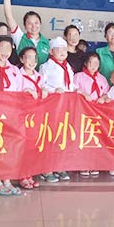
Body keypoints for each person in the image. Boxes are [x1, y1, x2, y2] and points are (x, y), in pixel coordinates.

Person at [0, 35, 27, 196]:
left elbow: (20, 91)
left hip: (12, 115)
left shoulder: (14, 70)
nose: (5, 52)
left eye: (8, 48)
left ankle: (7, 180)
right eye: (1, 48)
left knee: (9, 148)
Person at [39, 36, 75, 183]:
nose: (62, 52)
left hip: (66, 106)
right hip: (52, 107)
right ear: (51, 51)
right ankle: (46, 169)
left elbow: (71, 85)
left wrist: (78, 90)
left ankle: (59, 166)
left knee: (62, 136)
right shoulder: (46, 67)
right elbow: (41, 85)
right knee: (50, 136)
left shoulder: (68, 67)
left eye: (64, 49)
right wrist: (54, 90)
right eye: (58, 49)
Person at [74, 52, 110, 177]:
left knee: (96, 138)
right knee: (84, 138)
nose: (94, 66)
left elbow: (107, 93)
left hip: (98, 114)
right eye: (91, 62)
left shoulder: (102, 78)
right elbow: (74, 91)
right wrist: (84, 95)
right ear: (85, 63)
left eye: (96, 63)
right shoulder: (78, 76)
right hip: (83, 112)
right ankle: (83, 164)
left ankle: (94, 163)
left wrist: (103, 98)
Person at [17, 46, 48, 190]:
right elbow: (14, 91)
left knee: (33, 146)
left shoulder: (39, 76)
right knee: (23, 146)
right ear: (22, 59)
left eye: (34, 58)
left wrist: (45, 90)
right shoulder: (17, 74)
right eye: (28, 57)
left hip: (36, 116)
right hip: (22, 116)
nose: (32, 61)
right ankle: (22, 175)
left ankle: (29, 173)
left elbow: (45, 88)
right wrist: (26, 91)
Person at [2, 0, 50, 67]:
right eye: (29, 23)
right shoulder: (20, 38)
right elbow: (9, 17)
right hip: (22, 75)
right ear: (24, 26)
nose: (33, 26)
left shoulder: (47, 43)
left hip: (40, 76)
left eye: (36, 23)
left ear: (40, 24)